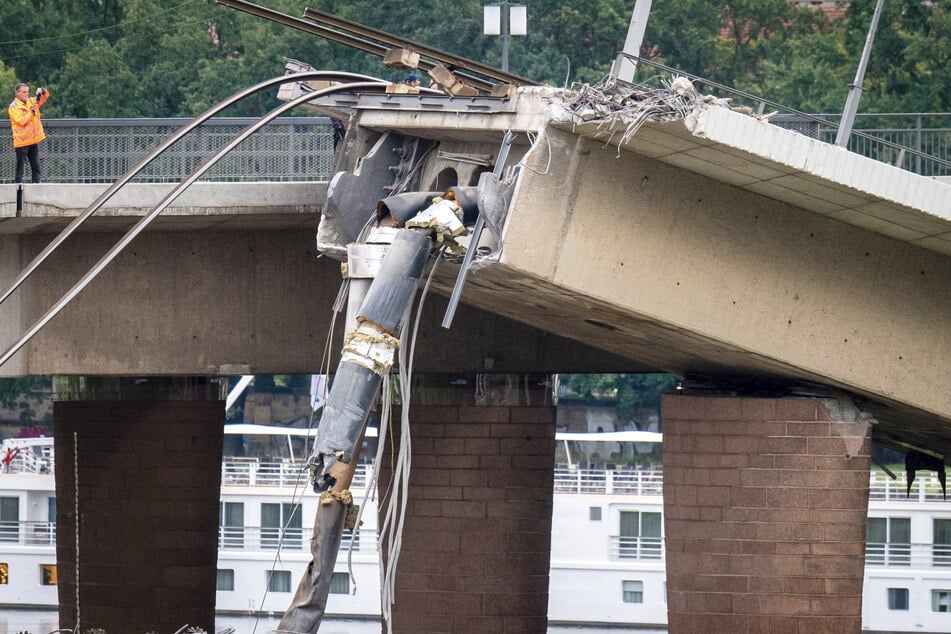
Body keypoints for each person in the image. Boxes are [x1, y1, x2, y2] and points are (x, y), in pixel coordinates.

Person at [8, 83, 49, 183]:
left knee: (36, 167)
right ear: (17, 93)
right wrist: (32, 112)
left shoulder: (31, 101)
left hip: (33, 141)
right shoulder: (13, 107)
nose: (26, 94)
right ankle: (18, 192)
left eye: (27, 92)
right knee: (20, 169)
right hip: (21, 143)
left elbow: (45, 96)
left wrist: (41, 91)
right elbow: (22, 121)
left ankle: (36, 190)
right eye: (24, 92)